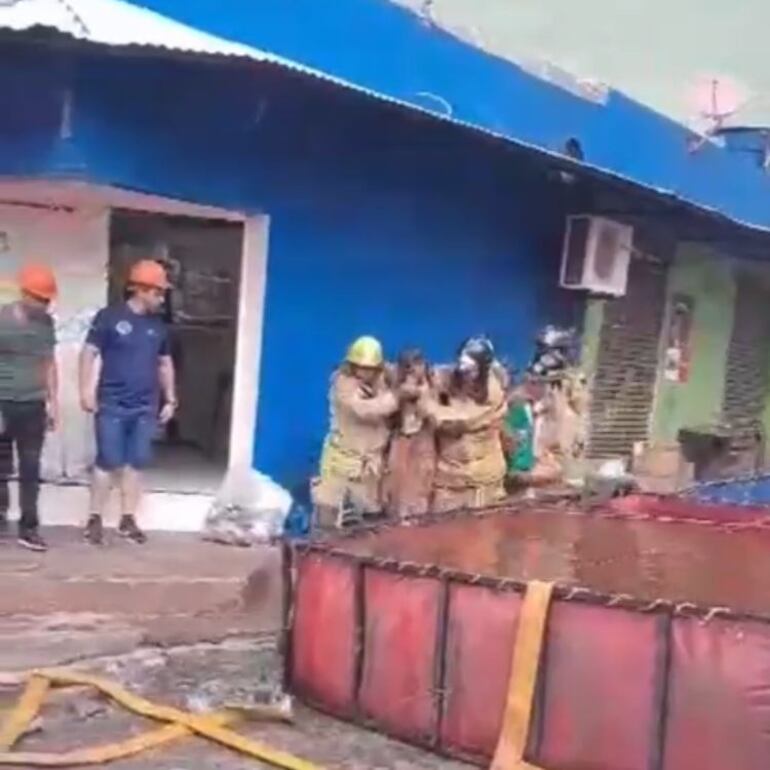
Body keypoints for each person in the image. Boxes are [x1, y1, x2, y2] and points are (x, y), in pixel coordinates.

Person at [78, 260, 177, 546]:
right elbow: (88, 353)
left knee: (136, 463)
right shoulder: (109, 317)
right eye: (158, 293)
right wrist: (86, 390)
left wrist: (171, 398)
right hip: (112, 403)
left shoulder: (158, 327)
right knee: (107, 461)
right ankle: (94, 518)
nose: (161, 299)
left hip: (146, 406)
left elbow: (164, 363)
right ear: (141, 290)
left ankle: (127, 519)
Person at [0, 264, 59, 551]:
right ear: (24, 294)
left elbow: (49, 363)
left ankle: (29, 527)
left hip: (33, 404)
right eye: (40, 299)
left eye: (47, 300)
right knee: (1, 466)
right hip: (3, 402)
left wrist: (53, 403)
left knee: (31, 469)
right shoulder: (2, 320)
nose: (44, 305)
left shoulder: (46, 323)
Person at [312, 336, 398, 528]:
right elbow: (364, 410)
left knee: (369, 521)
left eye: (369, 368)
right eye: (359, 366)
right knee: (328, 515)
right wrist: (397, 398)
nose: (363, 372)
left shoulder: (384, 380)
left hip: (369, 466)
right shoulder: (343, 384)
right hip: (340, 461)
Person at [422, 337, 508, 513]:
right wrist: (424, 378)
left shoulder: (492, 393)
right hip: (450, 478)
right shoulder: (455, 375)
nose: (463, 373)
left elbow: (457, 422)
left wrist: (426, 404)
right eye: (461, 366)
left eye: (470, 370)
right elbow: (436, 376)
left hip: (482, 478)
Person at [384, 348, 436, 520]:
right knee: (397, 489)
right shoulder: (395, 388)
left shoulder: (433, 386)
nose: (412, 369)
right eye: (408, 365)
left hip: (422, 442)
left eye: (417, 364)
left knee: (421, 488)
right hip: (401, 441)